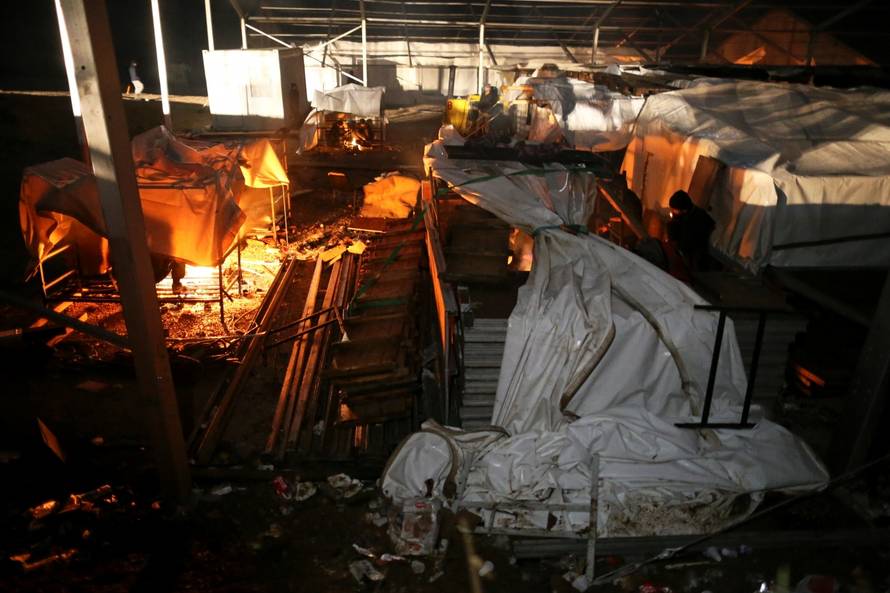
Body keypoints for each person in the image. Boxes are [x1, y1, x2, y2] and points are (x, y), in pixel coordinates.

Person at [667, 189, 715, 271]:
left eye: (675, 209)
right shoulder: (680, 218)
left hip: (695, 258)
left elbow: (688, 242)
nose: (673, 211)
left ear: (683, 209)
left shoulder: (698, 218)